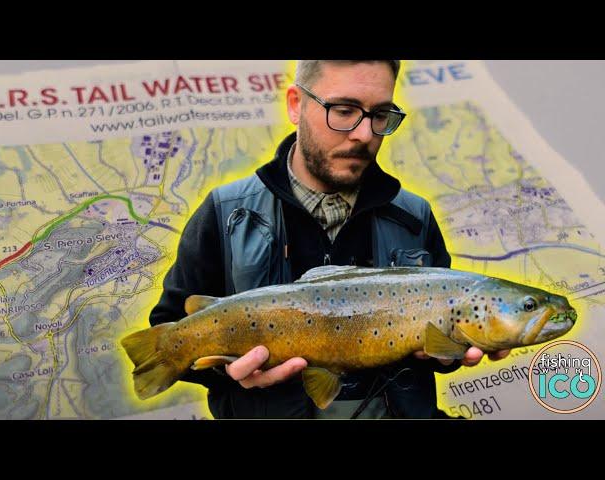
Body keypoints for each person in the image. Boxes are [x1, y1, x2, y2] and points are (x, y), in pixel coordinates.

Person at [149, 60, 510, 419]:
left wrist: (450, 354)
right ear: (295, 104)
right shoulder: (225, 211)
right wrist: (227, 371)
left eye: (380, 114)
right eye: (343, 110)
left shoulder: (416, 216)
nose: (364, 134)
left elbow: (441, 350)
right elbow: (171, 330)